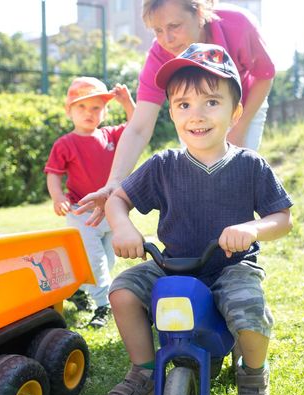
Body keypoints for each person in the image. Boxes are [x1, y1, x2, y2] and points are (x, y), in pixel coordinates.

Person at [93, 43, 293, 395]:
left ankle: (253, 378)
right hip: (173, 265)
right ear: (171, 113)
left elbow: (281, 218)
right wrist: (123, 226)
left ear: (235, 112)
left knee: (249, 310)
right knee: (122, 292)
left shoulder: (250, 165)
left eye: (211, 103)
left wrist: (251, 228)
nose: (196, 115)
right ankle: (144, 372)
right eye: (183, 105)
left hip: (231, 267)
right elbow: (117, 200)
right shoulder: (163, 165)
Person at [76, 0, 276, 226]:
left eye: (174, 26)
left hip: (244, 104)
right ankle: (200, 244)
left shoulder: (238, 24)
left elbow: (265, 74)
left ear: (200, 12)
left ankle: (239, 246)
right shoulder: (159, 54)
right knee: (199, 178)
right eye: (158, 30)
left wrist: (239, 128)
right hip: (194, 115)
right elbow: (139, 127)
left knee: (235, 175)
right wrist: (114, 181)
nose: (167, 39)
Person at [44, 76, 135, 328]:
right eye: (81, 107)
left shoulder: (112, 135)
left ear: (105, 112)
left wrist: (127, 102)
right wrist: (58, 196)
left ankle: (77, 289)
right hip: (81, 212)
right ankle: (104, 304)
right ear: (69, 111)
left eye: (96, 107)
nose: (89, 113)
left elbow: (136, 125)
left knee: (107, 259)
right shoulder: (65, 143)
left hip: (111, 210)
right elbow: (54, 174)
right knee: (95, 260)